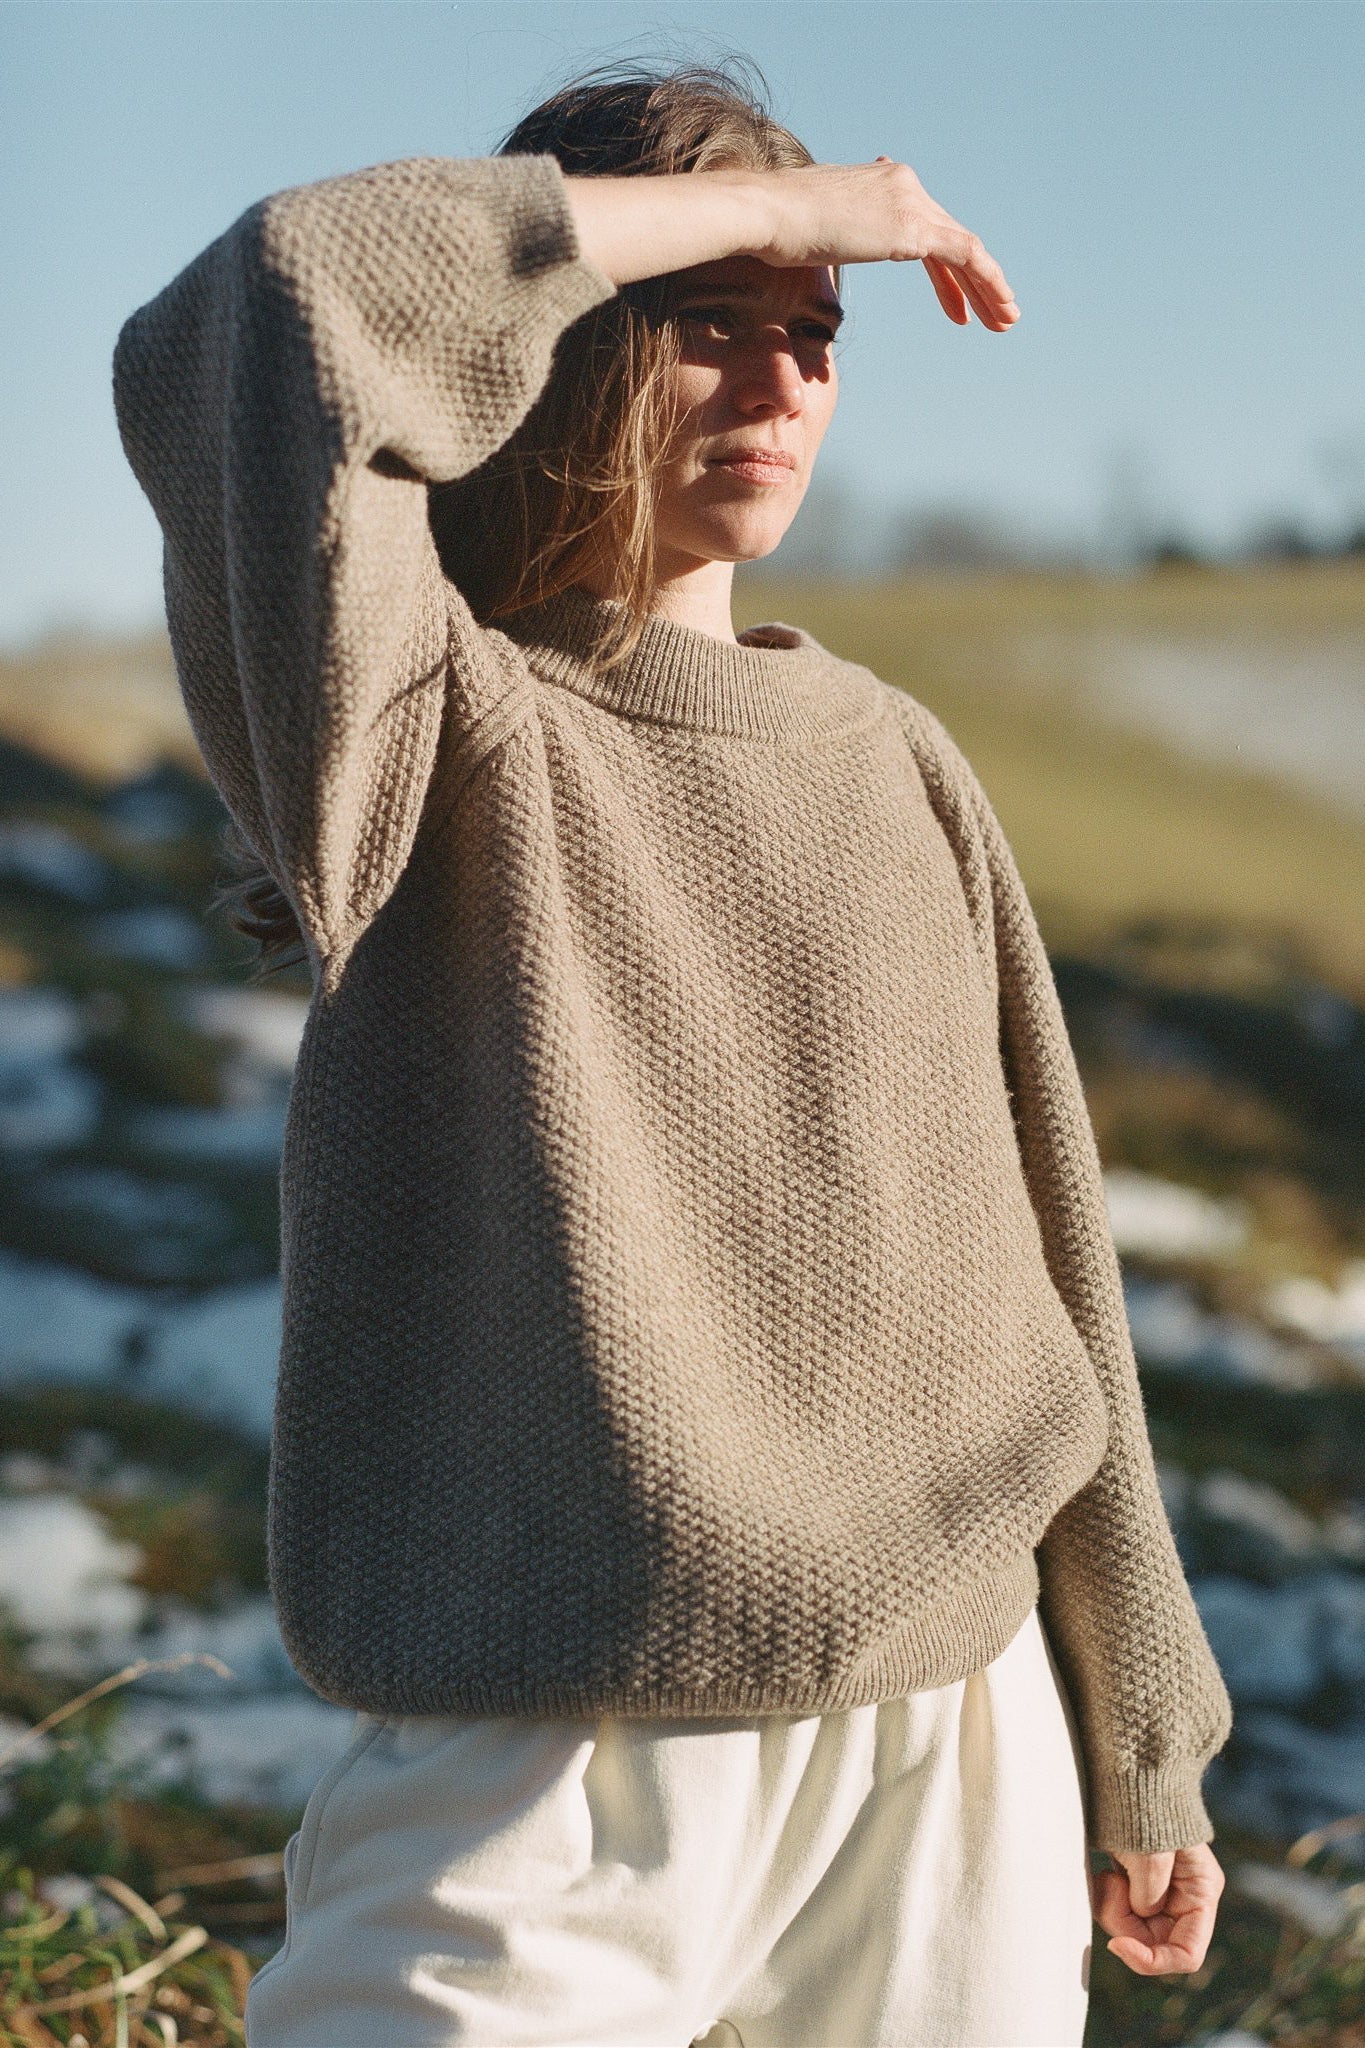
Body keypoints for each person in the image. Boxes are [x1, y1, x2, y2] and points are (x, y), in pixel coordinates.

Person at [112, 53, 1234, 2048]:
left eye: (813, 331)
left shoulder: (894, 759)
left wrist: (1137, 1721)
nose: (781, 372)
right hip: (562, 1722)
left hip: (948, 1730)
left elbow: (1049, 1241)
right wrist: (768, 205)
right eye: (711, 318)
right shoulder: (428, 728)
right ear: (567, 327)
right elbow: (276, 304)